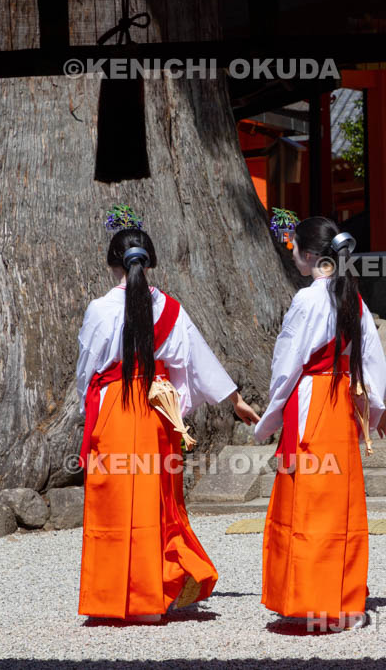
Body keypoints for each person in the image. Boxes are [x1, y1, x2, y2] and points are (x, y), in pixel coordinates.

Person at [77, 213, 260, 622]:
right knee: (158, 501)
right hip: (157, 409)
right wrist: (233, 400)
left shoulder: (101, 309)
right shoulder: (170, 309)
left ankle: (117, 598)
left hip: (114, 405)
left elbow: (87, 369)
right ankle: (157, 591)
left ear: (112, 264)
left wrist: (87, 405)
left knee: (114, 503)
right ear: (151, 262)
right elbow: (196, 360)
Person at [255, 216, 386, 629]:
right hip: (341, 399)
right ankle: (341, 596)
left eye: (295, 247)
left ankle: (310, 597)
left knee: (310, 498)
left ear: (310, 255)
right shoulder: (352, 297)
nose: (293, 253)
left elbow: (286, 364)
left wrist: (271, 415)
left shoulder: (308, 299)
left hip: (312, 398)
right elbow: (372, 360)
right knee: (341, 498)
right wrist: (377, 408)